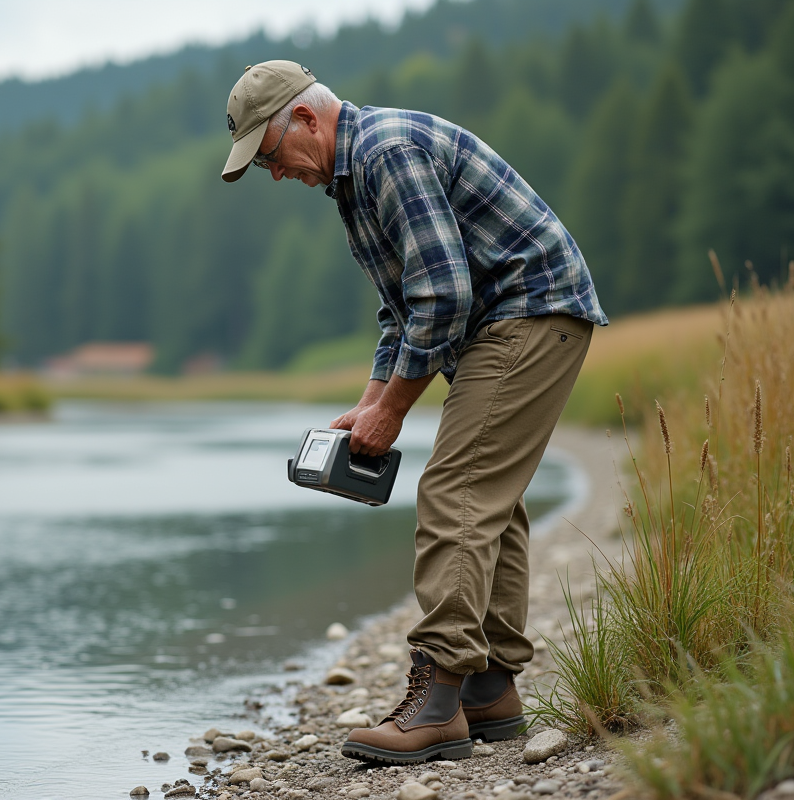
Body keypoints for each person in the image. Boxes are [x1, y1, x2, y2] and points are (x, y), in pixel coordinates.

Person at [221, 61, 608, 764]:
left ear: (306, 120)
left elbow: (444, 296)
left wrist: (393, 411)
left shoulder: (385, 153)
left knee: (457, 492)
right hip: (508, 320)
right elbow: (402, 309)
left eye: (271, 155)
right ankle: (489, 692)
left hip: (529, 312)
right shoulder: (352, 178)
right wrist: (370, 403)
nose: (275, 174)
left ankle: (435, 705)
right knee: (489, 500)